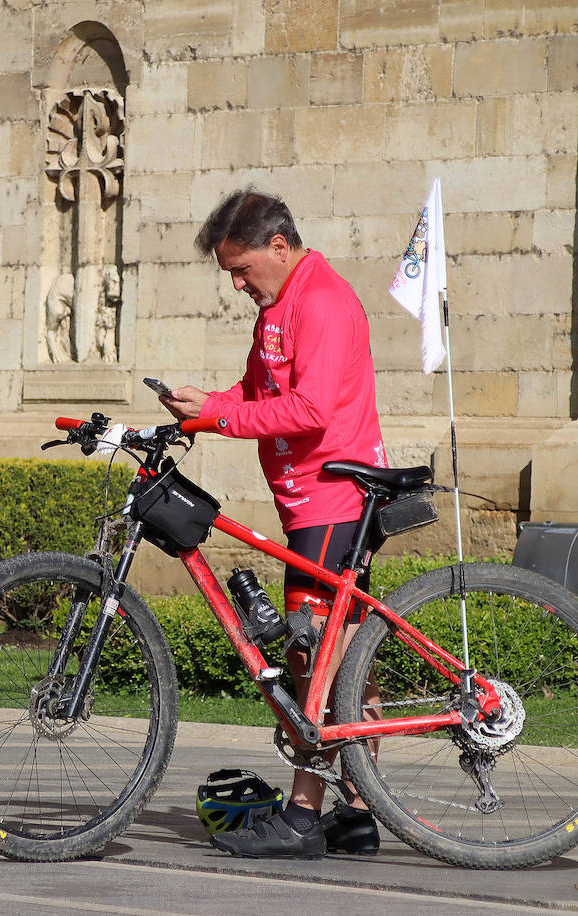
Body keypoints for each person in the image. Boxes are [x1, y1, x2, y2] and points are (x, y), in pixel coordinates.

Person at [158, 188, 387, 859]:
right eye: (229, 271)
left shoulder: (321, 301)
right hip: (307, 506)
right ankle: (359, 810)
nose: (235, 283)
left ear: (279, 247)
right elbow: (258, 395)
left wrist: (221, 419)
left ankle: (303, 816)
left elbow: (310, 409)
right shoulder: (279, 306)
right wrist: (206, 404)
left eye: (242, 268)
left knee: (315, 656)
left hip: (335, 501)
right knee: (335, 661)